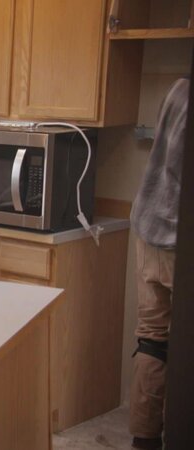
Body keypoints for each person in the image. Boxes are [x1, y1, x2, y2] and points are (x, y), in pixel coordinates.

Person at [128, 77, 188, 450]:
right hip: (181, 239)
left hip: (150, 223)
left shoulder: (178, 86)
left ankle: (144, 438)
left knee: (153, 339)